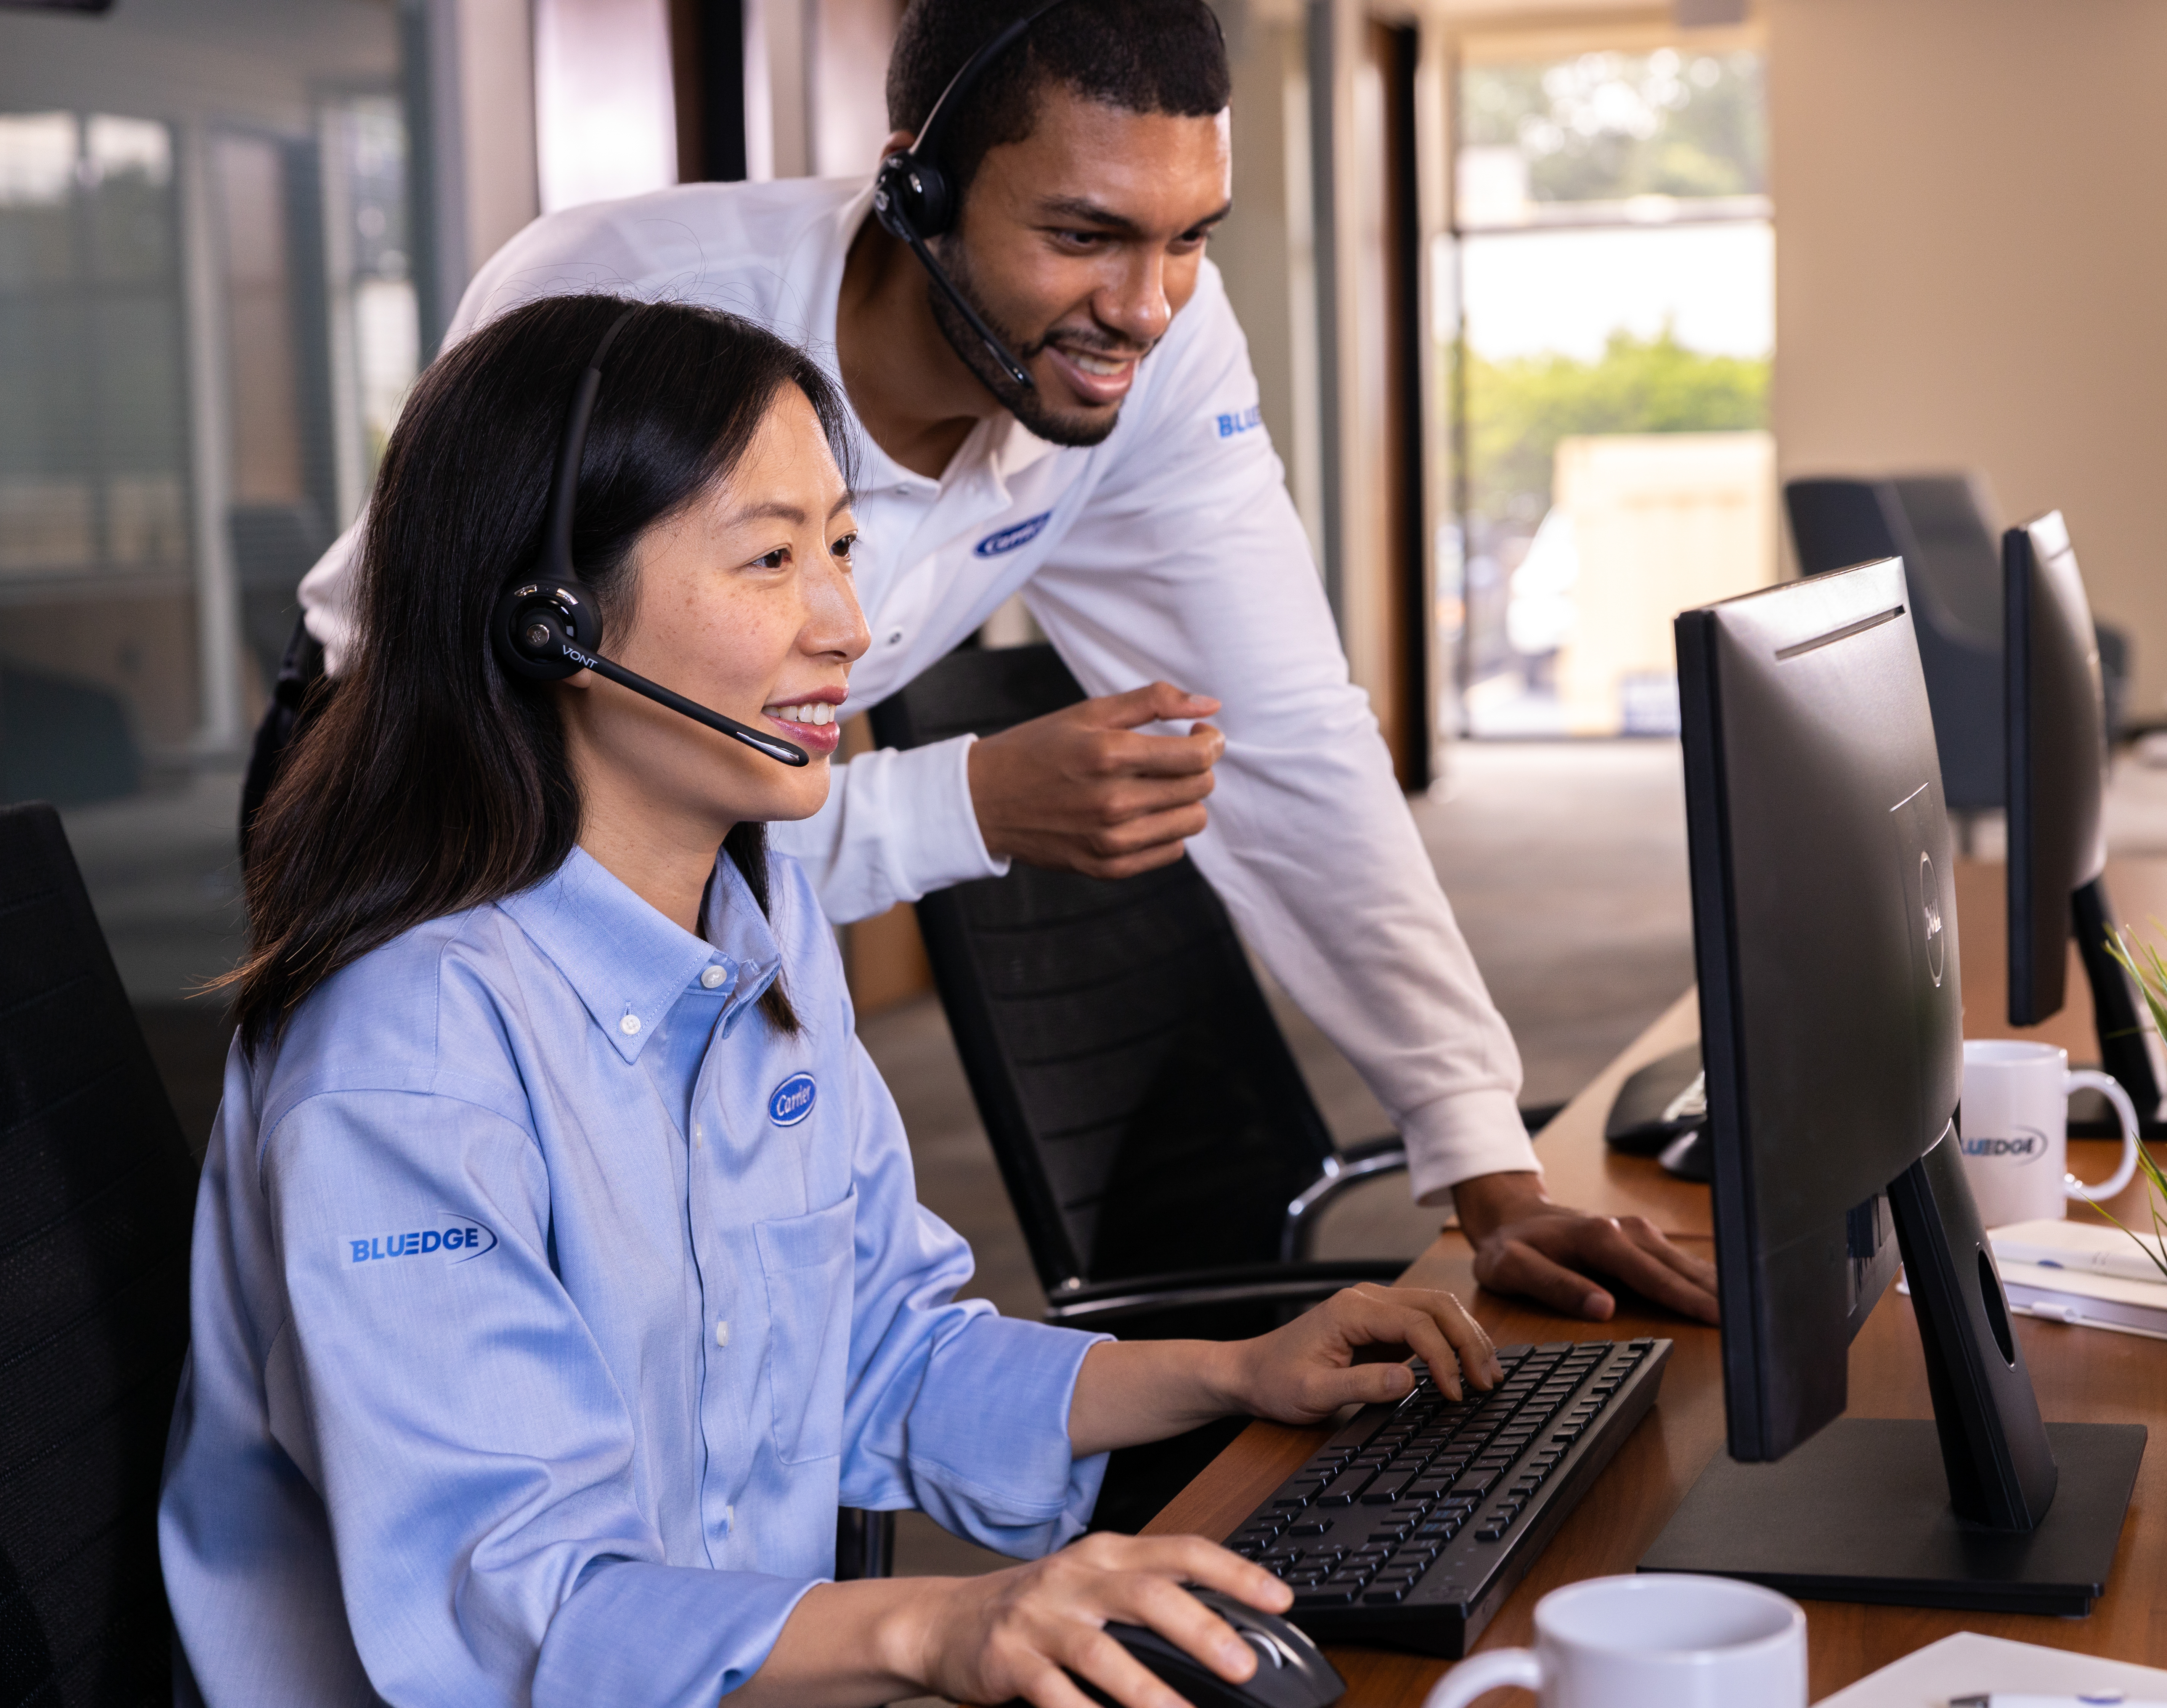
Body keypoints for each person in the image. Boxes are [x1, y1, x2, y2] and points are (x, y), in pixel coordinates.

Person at [278, 0, 1716, 1325]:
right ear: (916, 189)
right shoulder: (629, 315)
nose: (1148, 309)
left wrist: (1488, 1172)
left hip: (741, 855)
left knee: (768, 1332)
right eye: (1086, 235)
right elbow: (545, 797)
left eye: (1190, 237)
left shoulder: (1153, 349)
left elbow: (1287, 745)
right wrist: (956, 807)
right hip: (424, 801)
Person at [164, 294, 1506, 1707]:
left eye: (845, 548)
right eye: (769, 559)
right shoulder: (412, 1057)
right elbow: (518, 1615)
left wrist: (1232, 1377)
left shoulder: (764, 927)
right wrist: (943, 1630)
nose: (847, 627)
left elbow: (882, 1353)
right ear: (552, 619)